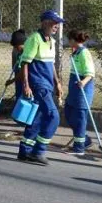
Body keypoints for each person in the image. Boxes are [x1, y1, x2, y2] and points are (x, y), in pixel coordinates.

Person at [18, 10, 64, 165]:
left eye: (58, 23)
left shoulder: (52, 41)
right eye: (54, 22)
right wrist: (26, 85)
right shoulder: (34, 39)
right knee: (53, 116)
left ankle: (25, 150)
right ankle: (39, 150)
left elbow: (50, 64)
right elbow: (25, 63)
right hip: (38, 85)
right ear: (45, 22)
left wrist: (57, 82)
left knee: (37, 118)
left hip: (48, 85)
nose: (56, 26)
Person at [64, 30, 96, 156]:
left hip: (83, 89)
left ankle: (79, 148)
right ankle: (85, 139)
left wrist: (84, 82)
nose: (68, 42)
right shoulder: (75, 53)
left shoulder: (84, 53)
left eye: (69, 40)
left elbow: (91, 73)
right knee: (68, 113)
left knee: (79, 118)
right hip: (73, 88)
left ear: (73, 40)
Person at [5, 29, 27, 102]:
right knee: (19, 96)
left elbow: (22, 74)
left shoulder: (25, 55)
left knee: (22, 99)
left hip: (24, 82)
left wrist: (11, 81)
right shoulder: (19, 54)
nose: (15, 49)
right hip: (19, 81)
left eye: (16, 47)